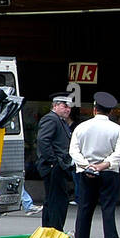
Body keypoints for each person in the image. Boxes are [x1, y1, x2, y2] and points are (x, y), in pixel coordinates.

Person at [69, 91, 120, 238]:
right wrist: (103, 165)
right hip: (109, 172)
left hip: (86, 172)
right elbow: (119, 153)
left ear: (94, 109)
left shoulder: (81, 127)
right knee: (108, 207)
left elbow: (73, 151)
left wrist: (87, 165)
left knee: (85, 206)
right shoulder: (117, 129)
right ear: (111, 111)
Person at [36, 94, 75, 230]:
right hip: (53, 166)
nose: (68, 109)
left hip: (57, 165)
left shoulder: (60, 120)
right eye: (65, 106)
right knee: (57, 200)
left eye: (69, 107)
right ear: (55, 106)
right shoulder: (51, 119)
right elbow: (43, 140)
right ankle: (54, 230)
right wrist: (53, 161)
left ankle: (49, 230)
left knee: (54, 199)